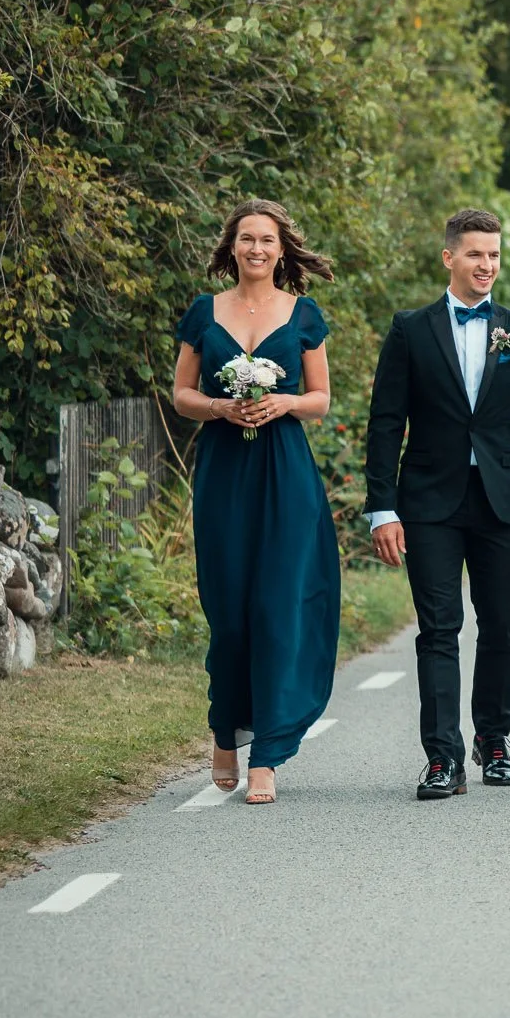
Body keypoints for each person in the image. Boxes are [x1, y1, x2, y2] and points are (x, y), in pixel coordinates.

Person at [365, 208, 510, 801]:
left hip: (501, 502)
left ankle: (493, 742)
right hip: (428, 502)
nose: (487, 265)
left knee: (501, 626)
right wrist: (382, 508)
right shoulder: (410, 329)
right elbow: (385, 422)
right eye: (476, 254)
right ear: (449, 257)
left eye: (494, 255)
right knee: (438, 628)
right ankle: (442, 757)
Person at [171, 199, 341, 806]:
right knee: (228, 610)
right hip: (223, 471)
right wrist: (219, 406)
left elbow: (321, 399)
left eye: (267, 240)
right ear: (232, 246)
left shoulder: (303, 314)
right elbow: (182, 393)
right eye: (247, 239)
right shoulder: (204, 311)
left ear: (281, 249)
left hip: (284, 472)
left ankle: (267, 752)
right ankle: (225, 732)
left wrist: (285, 402)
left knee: (276, 606)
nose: (257, 249)